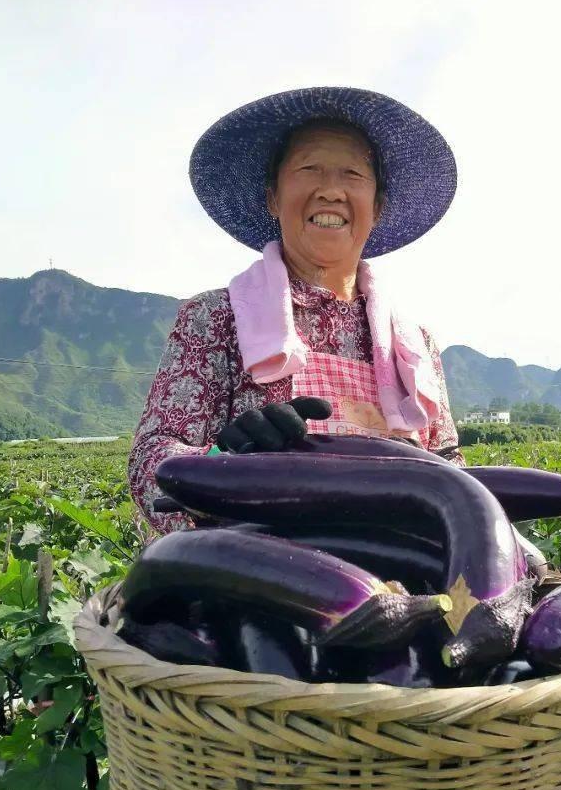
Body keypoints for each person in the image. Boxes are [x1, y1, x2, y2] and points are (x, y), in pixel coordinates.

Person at [129, 87, 462, 535]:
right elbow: (151, 459)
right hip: (258, 581)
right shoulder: (214, 318)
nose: (331, 190)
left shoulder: (414, 343)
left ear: (377, 206)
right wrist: (218, 466)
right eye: (309, 170)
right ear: (273, 197)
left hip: (409, 577)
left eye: (352, 174)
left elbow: (448, 464)